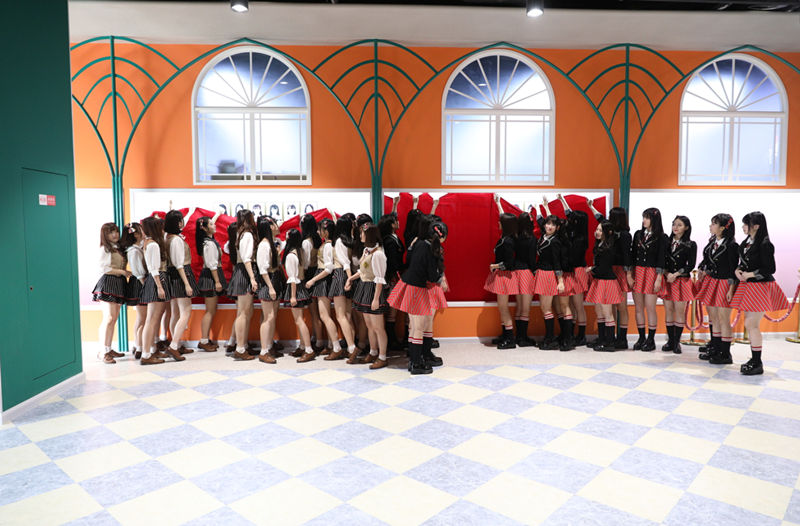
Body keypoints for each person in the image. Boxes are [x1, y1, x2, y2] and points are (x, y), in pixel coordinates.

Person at [388, 216, 448, 374]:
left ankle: (417, 359)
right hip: (418, 289)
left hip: (412, 286)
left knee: (416, 326)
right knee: (418, 327)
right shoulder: (430, 248)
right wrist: (440, 278)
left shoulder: (419, 243)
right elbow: (432, 275)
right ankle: (416, 363)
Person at [731, 212, 789, 375]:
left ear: (756, 226)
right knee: (750, 323)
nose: (743, 227)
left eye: (746, 224)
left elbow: (770, 268)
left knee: (751, 324)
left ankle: (757, 362)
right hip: (749, 286)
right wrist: (738, 270)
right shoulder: (746, 242)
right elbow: (743, 262)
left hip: (761, 287)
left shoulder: (765, 244)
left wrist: (750, 274)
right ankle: (755, 360)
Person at [695, 213, 739, 364]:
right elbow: (706, 260)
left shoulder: (732, 246)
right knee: (713, 317)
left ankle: (725, 353)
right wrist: (702, 269)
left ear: (722, 228)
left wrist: (731, 289)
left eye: (714, 223)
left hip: (725, 283)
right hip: (712, 281)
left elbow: (733, 269)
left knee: (723, 319)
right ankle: (715, 347)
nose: (710, 226)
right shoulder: (712, 241)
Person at [588, 199, 632, 349]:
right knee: (607, 305)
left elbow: (627, 255)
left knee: (621, 306)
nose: (608, 218)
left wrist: (628, 274)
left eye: (611, 216)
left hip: (620, 270)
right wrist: (591, 207)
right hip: (608, 269)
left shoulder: (624, 235)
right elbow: (599, 218)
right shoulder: (608, 230)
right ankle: (608, 338)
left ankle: (622, 338)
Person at [347, 224, 390, 369]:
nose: (360, 236)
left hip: (373, 289)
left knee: (378, 327)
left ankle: (382, 357)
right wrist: (350, 279)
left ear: (369, 235)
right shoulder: (367, 250)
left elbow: (379, 278)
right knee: (370, 325)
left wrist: (376, 298)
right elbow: (362, 270)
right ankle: (373, 351)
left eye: (362, 234)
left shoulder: (378, 254)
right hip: (364, 288)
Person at [629, 208, 668, 352]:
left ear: (654, 220)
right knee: (638, 307)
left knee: (650, 307)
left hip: (652, 273)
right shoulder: (638, 234)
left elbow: (661, 258)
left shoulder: (662, 237)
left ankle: (651, 339)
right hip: (638, 271)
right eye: (643, 217)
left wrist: (659, 278)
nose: (644, 220)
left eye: (647, 217)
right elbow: (633, 255)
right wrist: (630, 274)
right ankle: (641, 337)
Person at [92, 222, 130, 364]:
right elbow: (104, 269)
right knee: (108, 318)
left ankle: (108, 348)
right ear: (105, 235)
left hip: (118, 283)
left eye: (116, 231)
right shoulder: (105, 249)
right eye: (110, 232)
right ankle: (103, 351)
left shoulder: (118, 248)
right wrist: (123, 272)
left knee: (113, 319)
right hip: (108, 282)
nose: (114, 235)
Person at [484, 196, 520, 349]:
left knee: (503, 308)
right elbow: (503, 217)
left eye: (500, 222)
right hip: (502, 277)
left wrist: (495, 265)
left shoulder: (507, 241)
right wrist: (498, 203)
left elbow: (509, 264)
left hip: (505, 277)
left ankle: (509, 338)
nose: (498, 223)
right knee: (501, 307)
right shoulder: (506, 237)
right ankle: (505, 334)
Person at [586, 221, 626, 351]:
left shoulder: (609, 247)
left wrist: (591, 269)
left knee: (607, 313)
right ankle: (602, 339)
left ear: (608, 232)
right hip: (599, 280)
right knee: (599, 312)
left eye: (600, 230)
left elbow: (603, 267)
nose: (597, 232)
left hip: (607, 282)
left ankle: (609, 343)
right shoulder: (600, 244)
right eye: (597, 230)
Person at [165, 210, 198, 357]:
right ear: (178, 223)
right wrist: (187, 284)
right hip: (181, 275)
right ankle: (173, 346)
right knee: (185, 311)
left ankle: (176, 344)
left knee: (175, 312)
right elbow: (179, 264)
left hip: (172, 275)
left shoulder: (167, 238)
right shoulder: (176, 240)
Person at [139, 216, 172, 364]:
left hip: (155, 280)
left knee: (153, 319)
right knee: (151, 320)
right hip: (157, 280)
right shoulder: (153, 245)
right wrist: (159, 286)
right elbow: (154, 268)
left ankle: (151, 351)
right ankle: (146, 354)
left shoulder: (148, 243)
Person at [226, 210, 259, 361]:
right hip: (245, 273)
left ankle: (242, 345)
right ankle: (240, 348)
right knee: (244, 312)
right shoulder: (247, 235)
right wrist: (252, 278)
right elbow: (247, 259)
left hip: (242, 271)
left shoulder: (240, 233)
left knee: (245, 311)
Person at [661, 215, 696, 355]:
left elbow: (691, 265)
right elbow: (661, 260)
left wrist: (675, 274)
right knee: (668, 310)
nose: (675, 227)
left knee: (679, 311)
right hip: (667, 280)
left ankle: (677, 342)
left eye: (679, 225)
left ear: (686, 227)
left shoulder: (690, 244)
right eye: (674, 224)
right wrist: (666, 273)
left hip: (681, 281)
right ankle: (670, 341)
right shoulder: (666, 242)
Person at [558, 194, 590, 346]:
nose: (569, 221)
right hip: (571, 272)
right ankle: (570, 333)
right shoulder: (575, 235)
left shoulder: (580, 239)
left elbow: (572, 256)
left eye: (572, 220)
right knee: (569, 305)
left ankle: (581, 335)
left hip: (577, 272)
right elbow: (568, 213)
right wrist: (562, 200)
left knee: (578, 305)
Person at [533, 213, 567, 350]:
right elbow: (539, 219)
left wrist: (560, 281)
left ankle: (550, 339)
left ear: (557, 227)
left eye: (553, 225)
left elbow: (557, 262)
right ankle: (551, 337)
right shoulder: (543, 237)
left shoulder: (555, 241)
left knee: (546, 308)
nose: (550, 226)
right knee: (546, 308)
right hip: (541, 273)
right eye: (548, 224)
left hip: (548, 275)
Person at [255, 216, 285, 364]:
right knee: (268, 317)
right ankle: (263, 351)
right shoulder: (264, 245)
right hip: (268, 281)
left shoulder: (270, 243)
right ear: (269, 227)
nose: (277, 226)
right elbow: (262, 269)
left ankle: (269, 346)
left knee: (272, 316)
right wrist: (271, 287)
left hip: (274, 279)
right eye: (274, 224)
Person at [282, 228, 314, 362]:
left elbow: (292, 278)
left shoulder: (291, 255)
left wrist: (293, 296)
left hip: (295, 288)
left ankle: (308, 349)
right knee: (300, 319)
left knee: (299, 320)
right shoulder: (300, 251)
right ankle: (302, 346)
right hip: (301, 285)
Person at [328, 216, 358, 361]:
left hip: (341, 275)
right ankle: (352, 346)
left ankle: (351, 347)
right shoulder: (350, 241)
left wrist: (348, 279)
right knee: (347, 315)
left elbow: (344, 262)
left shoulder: (340, 241)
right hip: (348, 275)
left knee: (341, 316)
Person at [195, 213, 226, 352]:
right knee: (210, 311)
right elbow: (212, 264)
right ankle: (203, 340)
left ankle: (205, 339)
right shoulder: (209, 244)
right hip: (211, 277)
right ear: (205, 228)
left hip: (211, 275)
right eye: (212, 224)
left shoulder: (209, 242)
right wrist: (217, 281)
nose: (214, 225)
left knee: (211, 310)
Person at [378, 209, 405, 351]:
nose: (398, 222)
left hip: (396, 275)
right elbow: (393, 262)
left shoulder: (393, 237)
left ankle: (393, 339)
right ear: (391, 224)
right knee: (392, 310)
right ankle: (391, 340)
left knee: (394, 309)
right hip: (392, 277)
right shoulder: (389, 240)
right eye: (396, 221)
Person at [121, 222, 147, 360]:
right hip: (139, 284)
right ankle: (139, 346)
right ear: (136, 234)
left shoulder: (137, 248)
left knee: (141, 317)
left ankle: (138, 345)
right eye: (141, 230)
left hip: (138, 283)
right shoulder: (134, 251)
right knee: (143, 318)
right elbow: (138, 272)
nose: (143, 232)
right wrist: (146, 287)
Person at [301, 214, 325, 353]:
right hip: (317, 273)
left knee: (314, 312)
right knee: (316, 311)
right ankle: (317, 338)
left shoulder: (306, 242)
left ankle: (319, 341)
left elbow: (305, 263)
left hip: (309, 275)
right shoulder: (318, 240)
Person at [513, 211, 537, 347]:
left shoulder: (515, 236)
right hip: (527, 273)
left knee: (519, 306)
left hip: (516, 272)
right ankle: (523, 338)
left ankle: (518, 337)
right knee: (525, 309)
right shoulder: (532, 239)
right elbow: (532, 259)